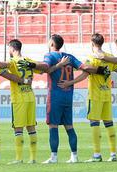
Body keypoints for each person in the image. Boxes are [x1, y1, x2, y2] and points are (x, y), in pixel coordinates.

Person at [59, 34, 117, 162]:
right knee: (109, 123)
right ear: (102, 43)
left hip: (95, 95)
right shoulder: (109, 57)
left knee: (94, 123)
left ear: (92, 43)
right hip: (107, 95)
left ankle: (97, 154)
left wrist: (69, 83)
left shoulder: (91, 58)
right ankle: (113, 154)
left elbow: (84, 75)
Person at [27, 34, 99, 164]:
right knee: (69, 127)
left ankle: (54, 157)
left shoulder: (49, 56)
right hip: (68, 96)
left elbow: (45, 67)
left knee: (53, 126)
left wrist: (32, 65)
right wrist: (72, 82)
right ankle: (74, 156)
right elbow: (86, 69)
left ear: (52, 44)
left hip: (55, 96)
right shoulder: (69, 57)